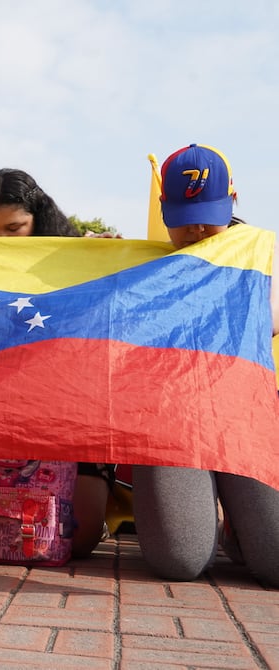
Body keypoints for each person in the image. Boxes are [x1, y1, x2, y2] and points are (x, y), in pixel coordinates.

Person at [132, 144, 279, 587]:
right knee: (180, 561)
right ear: (163, 209)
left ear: (233, 201)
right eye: (182, 215)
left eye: (208, 212)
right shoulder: (144, 264)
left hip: (246, 417)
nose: (195, 228)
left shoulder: (264, 255)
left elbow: (262, 324)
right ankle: (216, 513)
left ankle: (239, 522)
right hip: (173, 419)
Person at [0, 167, 114, 559]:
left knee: (77, 538)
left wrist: (108, 257)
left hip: (69, 422)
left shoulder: (74, 259)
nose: (1, 240)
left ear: (39, 219)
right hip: (1, 423)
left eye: (14, 228)